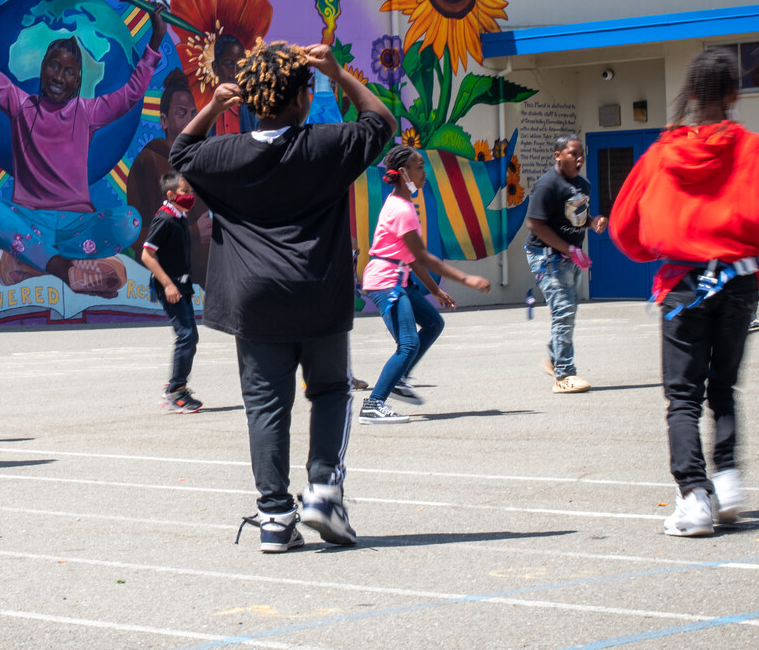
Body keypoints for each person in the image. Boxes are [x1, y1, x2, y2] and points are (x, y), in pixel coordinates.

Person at [170, 41, 395, 553]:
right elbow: (380, 121)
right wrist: (339, 72)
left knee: (266, 405)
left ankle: (274, 517)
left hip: (255, 302)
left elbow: (181, 152)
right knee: (331, 392)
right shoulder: (326, 145)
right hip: (317, 292)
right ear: (303, 97)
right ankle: (323, 495)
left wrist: (214, 106)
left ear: (250, 98)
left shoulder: (224, 154)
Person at [610, 48, 759, 538]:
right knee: (723, 387)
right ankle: (729, 479)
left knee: (682, 397)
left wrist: (648, 251)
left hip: (684, 283)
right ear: (734, 94)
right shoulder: (751, 146)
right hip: (738, 281)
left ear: (691, 95)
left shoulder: (661, 152)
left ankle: (695, 497)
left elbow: (622, 223)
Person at [0, 0, 162, 296]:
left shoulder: (87, 113)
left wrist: (155, 39)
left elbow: (131, 92)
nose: (60, 75)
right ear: (42, 68)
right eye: (54, 66)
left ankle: (31, 263)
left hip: (77, 226)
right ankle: (67, 269)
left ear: (78, 80)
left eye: (70, 71)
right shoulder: (21, 105)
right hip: (30, 221)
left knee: (129, 221)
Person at [358, 147, 493, 424]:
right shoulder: (400, 209)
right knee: (407, 344)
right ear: (404, 173)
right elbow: (422, 256)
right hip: (386, 282)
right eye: (419, 167)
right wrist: (466, 279)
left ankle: (399, 378)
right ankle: (373, 404)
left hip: (398, 278)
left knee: (433, 323)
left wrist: (434, 290)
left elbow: (412, 259)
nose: (424, 173)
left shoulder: (404, 206)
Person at [523, 135, 604, 394]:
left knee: (567, 311)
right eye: (572, 154)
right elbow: (535, 224)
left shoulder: (582, 184)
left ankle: (554, 359)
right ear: (558, 155)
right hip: (547, 256)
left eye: (581, 154)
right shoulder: (547, 185)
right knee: (564, 311)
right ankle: (564, 375)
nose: (579, 159)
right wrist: (567, 248)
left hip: (569, 256)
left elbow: (575, 215)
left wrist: (592, 222)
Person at [128, 69, 213, 284]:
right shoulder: (149, 162)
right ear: (164, 121)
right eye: (181, 113)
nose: (191, 121)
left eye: (195, 114)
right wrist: (192, 232)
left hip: (208, 281)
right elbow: (136, 235)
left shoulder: (206, 161)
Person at [139, 170, 203, 414]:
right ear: (171, 194)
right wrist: (168, 284)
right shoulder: (165, 219)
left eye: (190, 191)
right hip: (170, 286)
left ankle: (177, 384)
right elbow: (147, 254)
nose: (190, 195)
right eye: (185, 191)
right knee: (186, 336)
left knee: (190, 336)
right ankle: (175, 392)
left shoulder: (179, 216)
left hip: (181, 285)